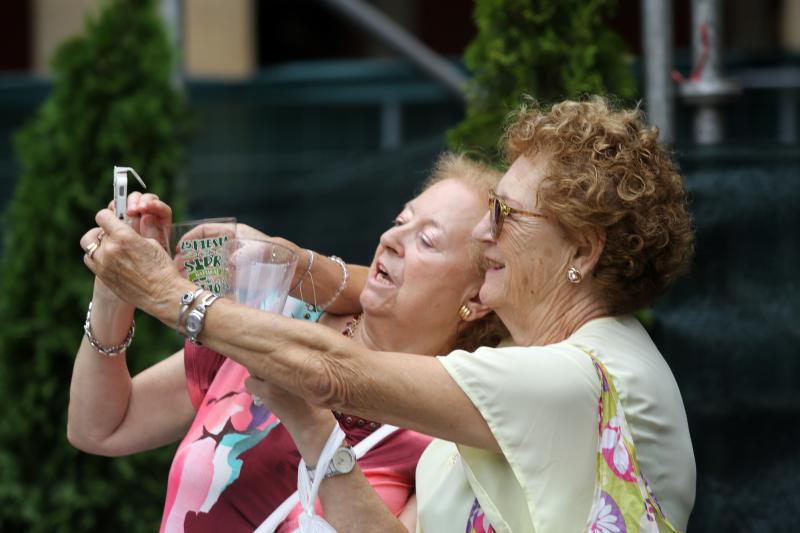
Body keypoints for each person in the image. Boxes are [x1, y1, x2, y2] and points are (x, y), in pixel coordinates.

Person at [81, 96, 697, 532]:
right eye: (403, 220)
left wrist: (165, 291)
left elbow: (332, 372)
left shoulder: (567, 378)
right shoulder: (528, 377)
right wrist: (309, 277)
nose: (486, 234)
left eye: (507, 215)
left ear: (582, 251)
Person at [68, 153, 507, 532]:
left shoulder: (445, 430)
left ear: (477, 297)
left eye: (426, 240)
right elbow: (103, 427)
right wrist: (116, 289)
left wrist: (314, 427)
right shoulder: (277, 312)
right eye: (400, 221)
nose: (391, 239)